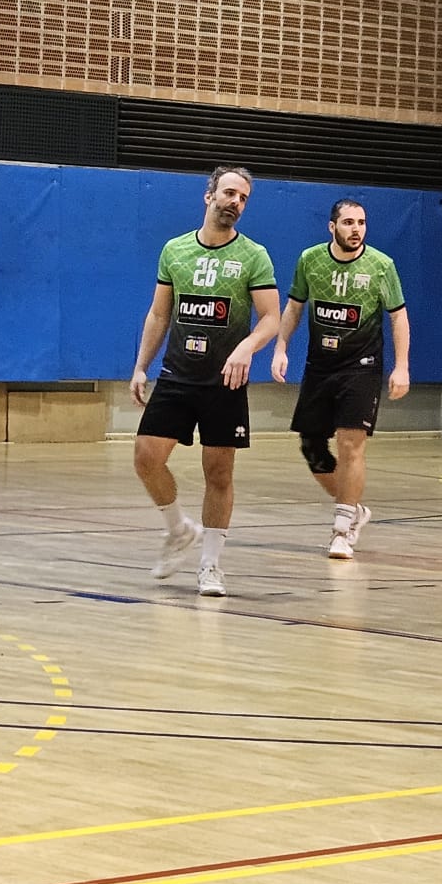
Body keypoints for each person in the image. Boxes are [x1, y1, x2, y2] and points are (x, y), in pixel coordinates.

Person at [132, 165, 280, 597]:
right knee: (146, 457)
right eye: (230, 193)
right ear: (209, 195)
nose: (236, 202)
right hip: (178, 374)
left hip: (224, 381)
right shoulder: (175, 251)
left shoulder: (254, 256)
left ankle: (211, 565)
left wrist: (245, 347)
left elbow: (270, 319)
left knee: (218, 470)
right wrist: (141, 365)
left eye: (244, 198)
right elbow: (160, 314)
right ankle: (178, 529)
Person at [270, 199, 410, 560]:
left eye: (361, 222)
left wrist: (402, 366)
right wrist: (281, 348)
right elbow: (295, 306)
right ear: (332, 226)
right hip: (320, 366)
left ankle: (342, 529)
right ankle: (356, 508)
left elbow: (398, 317)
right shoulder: (310, 260)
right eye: (348, 222)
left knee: (350, 444)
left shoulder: (381, 266)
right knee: (312, 448)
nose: (356, 229)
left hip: (361, 366)